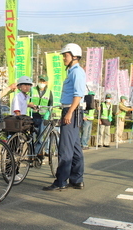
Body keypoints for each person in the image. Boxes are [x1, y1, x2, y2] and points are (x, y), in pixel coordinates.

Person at [43, 43, 86, 191]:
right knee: (75, 147)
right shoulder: (73, 71)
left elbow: (78, 94)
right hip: (72, 111)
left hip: (71, 110)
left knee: (65, 148)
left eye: (65, 55)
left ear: (74, 56)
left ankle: (61, 181)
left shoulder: (76, 72)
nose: (63, 58)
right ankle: (77, 179)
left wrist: (69, 112)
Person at [29, 75, 53, 155]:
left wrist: (47, 116)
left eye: (43, 81)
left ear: (46, 82)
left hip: (43, 117)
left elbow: (50, 105)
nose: (41, 83)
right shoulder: (32, 90)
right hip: (33, 115)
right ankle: (31, 154)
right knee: (31, 137)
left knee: (40, 137)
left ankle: (37, 154)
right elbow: (28, 101)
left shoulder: (49, 92)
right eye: (40, 81)